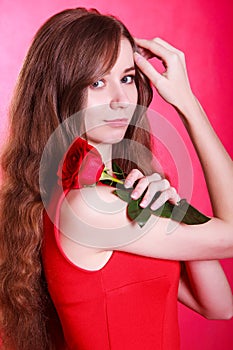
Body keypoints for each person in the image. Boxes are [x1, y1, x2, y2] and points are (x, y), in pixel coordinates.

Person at [0, 7, 232, 350]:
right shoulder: (88, 206)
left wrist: (176, 210)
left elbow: (218, 306)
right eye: (97, 82)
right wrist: (187, 104)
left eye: (126, 78)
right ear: (61, 92)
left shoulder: (118, 192)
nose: (121, 100)